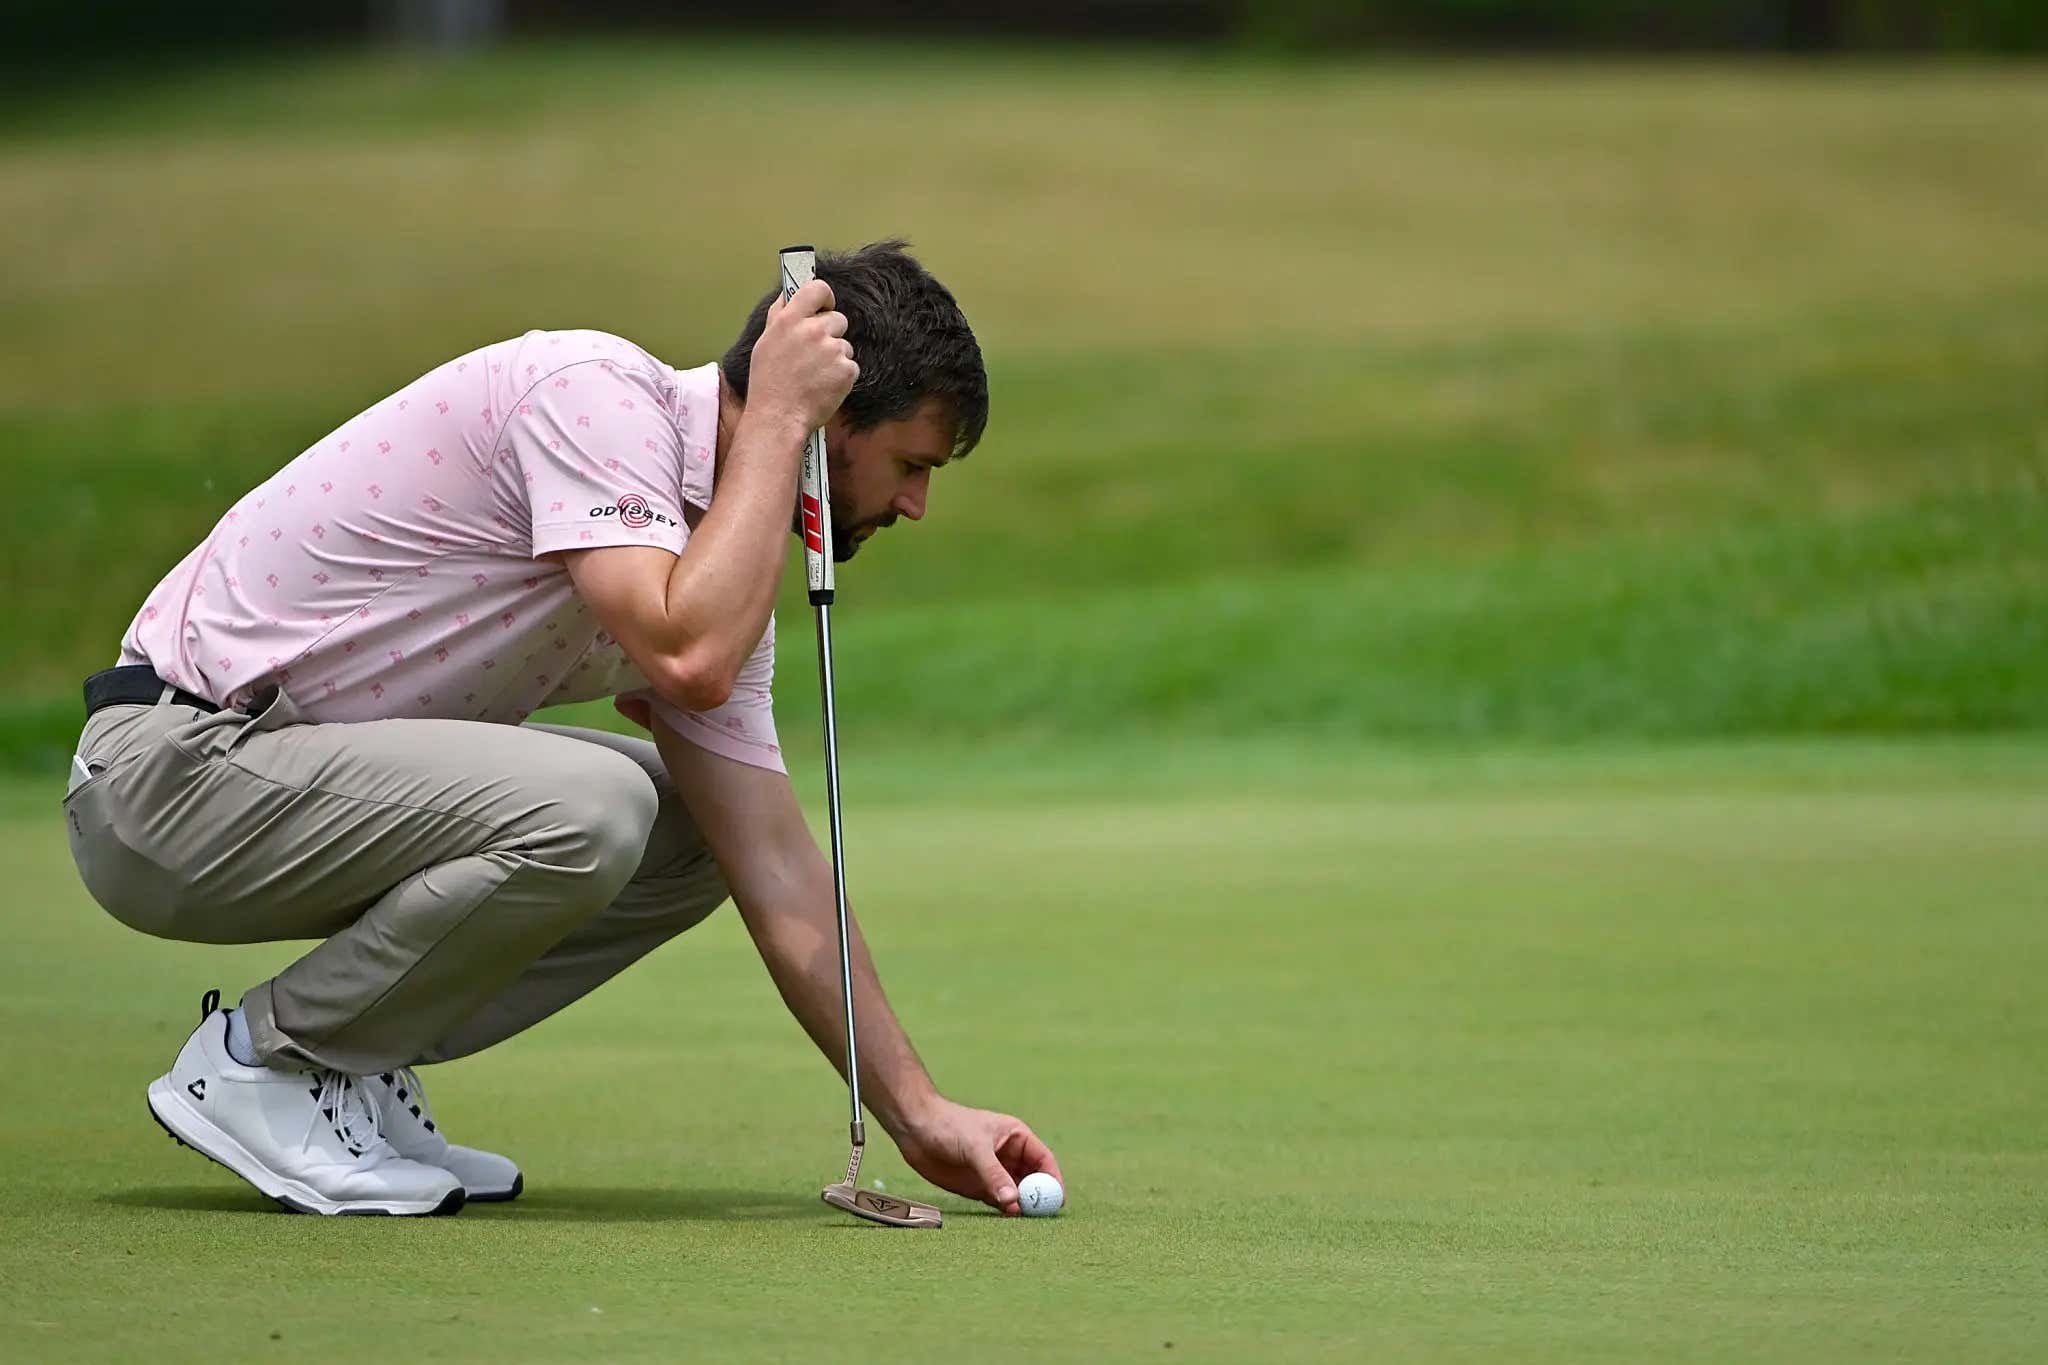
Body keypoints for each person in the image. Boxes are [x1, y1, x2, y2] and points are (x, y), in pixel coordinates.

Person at [63, 240, 1062, 1218]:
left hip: (277, 787)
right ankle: (270, 1061)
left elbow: (772, 858)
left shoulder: (716, 566)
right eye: (909, 464)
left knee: (694, 833)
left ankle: (351, 1062)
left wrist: (917, 1111)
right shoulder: (594, 396)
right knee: (599, 806)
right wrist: (776, 419)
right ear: (825, 416)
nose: (916, 504)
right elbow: (687, 657)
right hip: (173, 773)